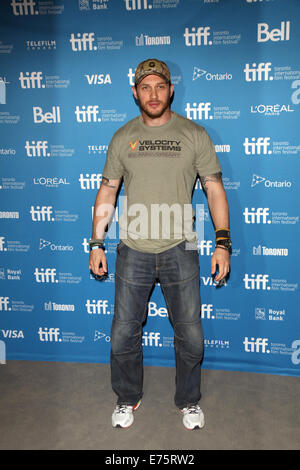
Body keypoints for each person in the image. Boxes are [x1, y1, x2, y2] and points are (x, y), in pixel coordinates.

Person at [89, 59, 231, 430]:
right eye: (146, 87)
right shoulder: (122, 137)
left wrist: (223, 243)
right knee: (122, 333)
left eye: (160, 86)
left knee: (191, 335)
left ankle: (188, 401)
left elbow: (214, 188)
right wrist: (97, 243)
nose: (154, 94)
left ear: (171, 90)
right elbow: (108, 191)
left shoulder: (195, 134)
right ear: (135, 92)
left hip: (180, 249)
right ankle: (126, 398)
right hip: (132, 250)